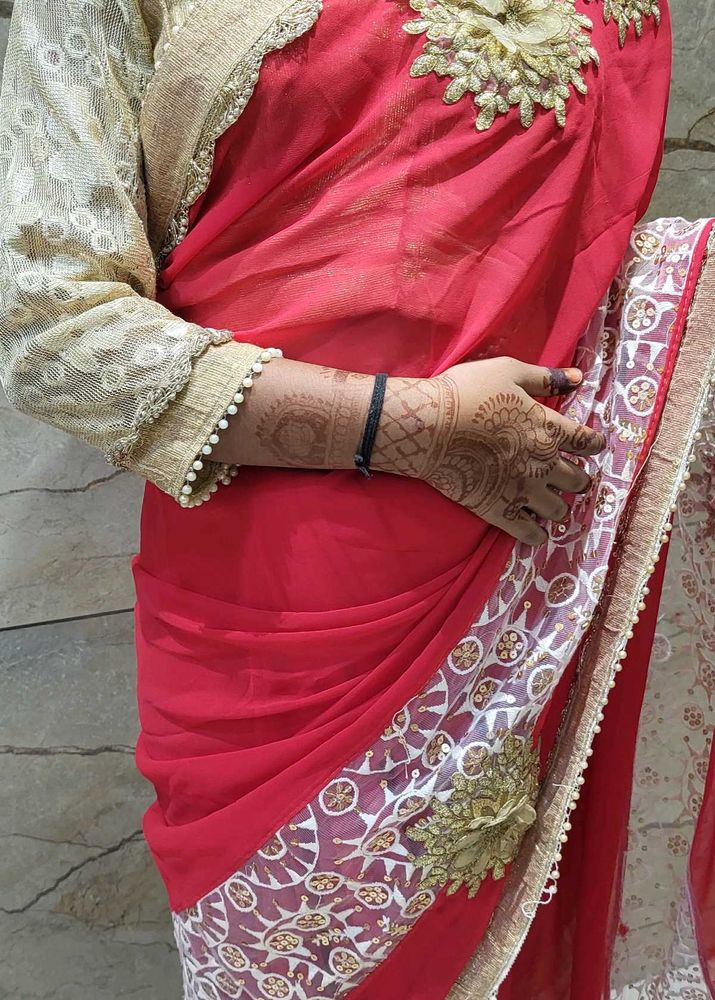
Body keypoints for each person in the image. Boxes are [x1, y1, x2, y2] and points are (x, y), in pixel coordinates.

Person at [0, 0, 713, 996]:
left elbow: (577, 256)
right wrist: (410, 426)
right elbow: (48, 326)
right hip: (278, 622)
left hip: (535, 568)